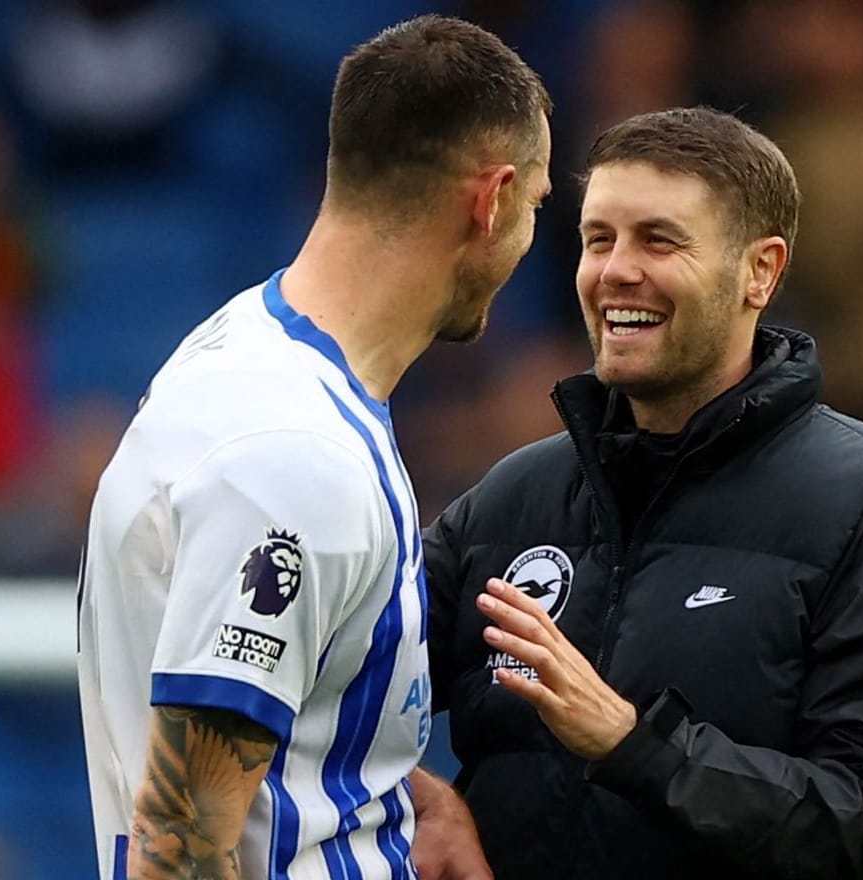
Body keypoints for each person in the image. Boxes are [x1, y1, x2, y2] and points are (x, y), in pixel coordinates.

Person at [418, 106, 863, 880]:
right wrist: (422, 796)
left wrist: (634, 745)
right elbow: (336, 681)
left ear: (761, 271)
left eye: (659, 240)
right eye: (598, 238)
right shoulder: (514, 498)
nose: (615, 271)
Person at [76, 15, 551, 880]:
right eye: (538, 210)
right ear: (492, 201)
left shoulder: (249, 343)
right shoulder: (293, 455)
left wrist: (410, 808)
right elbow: (181, 846)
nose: (528, 245)